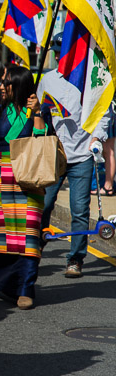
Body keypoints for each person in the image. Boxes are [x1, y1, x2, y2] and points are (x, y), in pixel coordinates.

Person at [0, 65, 47, 310]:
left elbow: (42, 142)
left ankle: (25, 289)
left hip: (29, 179)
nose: (2, 87)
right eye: (3, 84)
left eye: (8, 83)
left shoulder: (37, 110)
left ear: (21, 85)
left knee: (28, 238)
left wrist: (36, 114)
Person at [38, 69, 109, 279]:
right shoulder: (48, 80)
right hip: (55, 153)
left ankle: (75, 259)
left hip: (82, 155)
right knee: (43, 203)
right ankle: (35, 247)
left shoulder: (93, 80)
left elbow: (105, 112)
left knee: (79, 210)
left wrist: (98, 138)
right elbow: (40, 112)